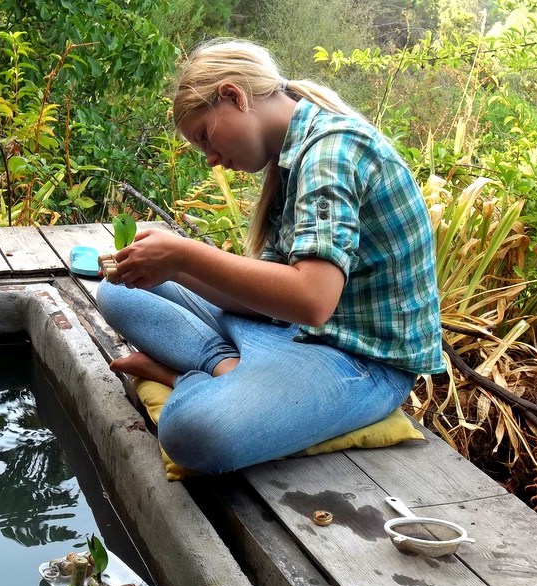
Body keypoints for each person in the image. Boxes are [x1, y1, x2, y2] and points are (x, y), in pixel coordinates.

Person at [96, 38, 445, 474]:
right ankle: (225, 367)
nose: (212, 160)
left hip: (359, 362)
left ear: (233, 95)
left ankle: (185, 376)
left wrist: (185, 255)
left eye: (205, 137)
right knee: (118, 290)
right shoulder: (289, 158)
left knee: (190, 430)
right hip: (290, 332)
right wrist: (170, 269)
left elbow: (312, 300)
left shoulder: (330, 153)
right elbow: (269, 301)